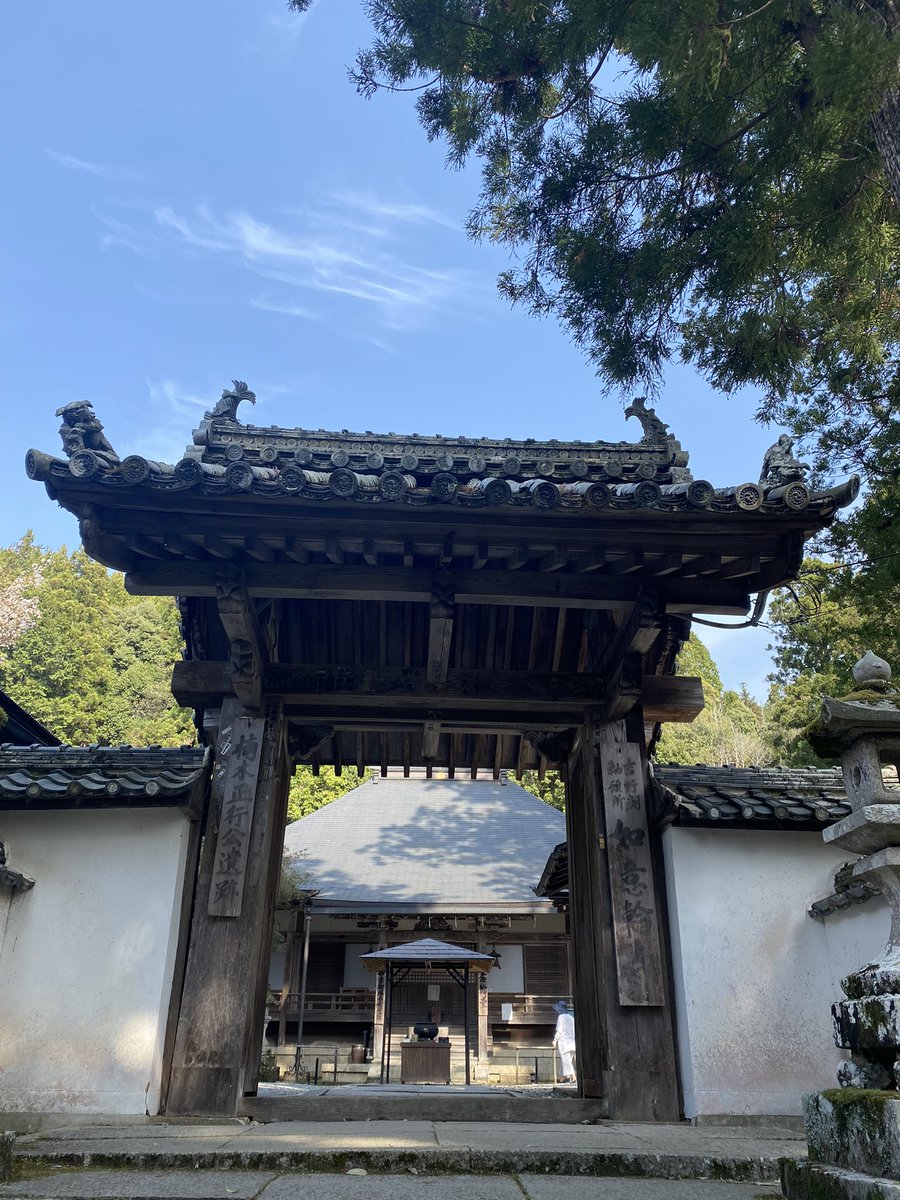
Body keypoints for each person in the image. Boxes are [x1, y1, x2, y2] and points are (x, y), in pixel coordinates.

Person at [552, 1000, 576, 1083]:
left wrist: (555, 1040)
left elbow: (560, 1030)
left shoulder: (561, 1017)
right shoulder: (571, 1018)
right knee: (567, 1060)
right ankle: (562, 1077)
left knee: (566, 1060)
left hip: (564, 1041)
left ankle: (573, 1076)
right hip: (572, 1041)